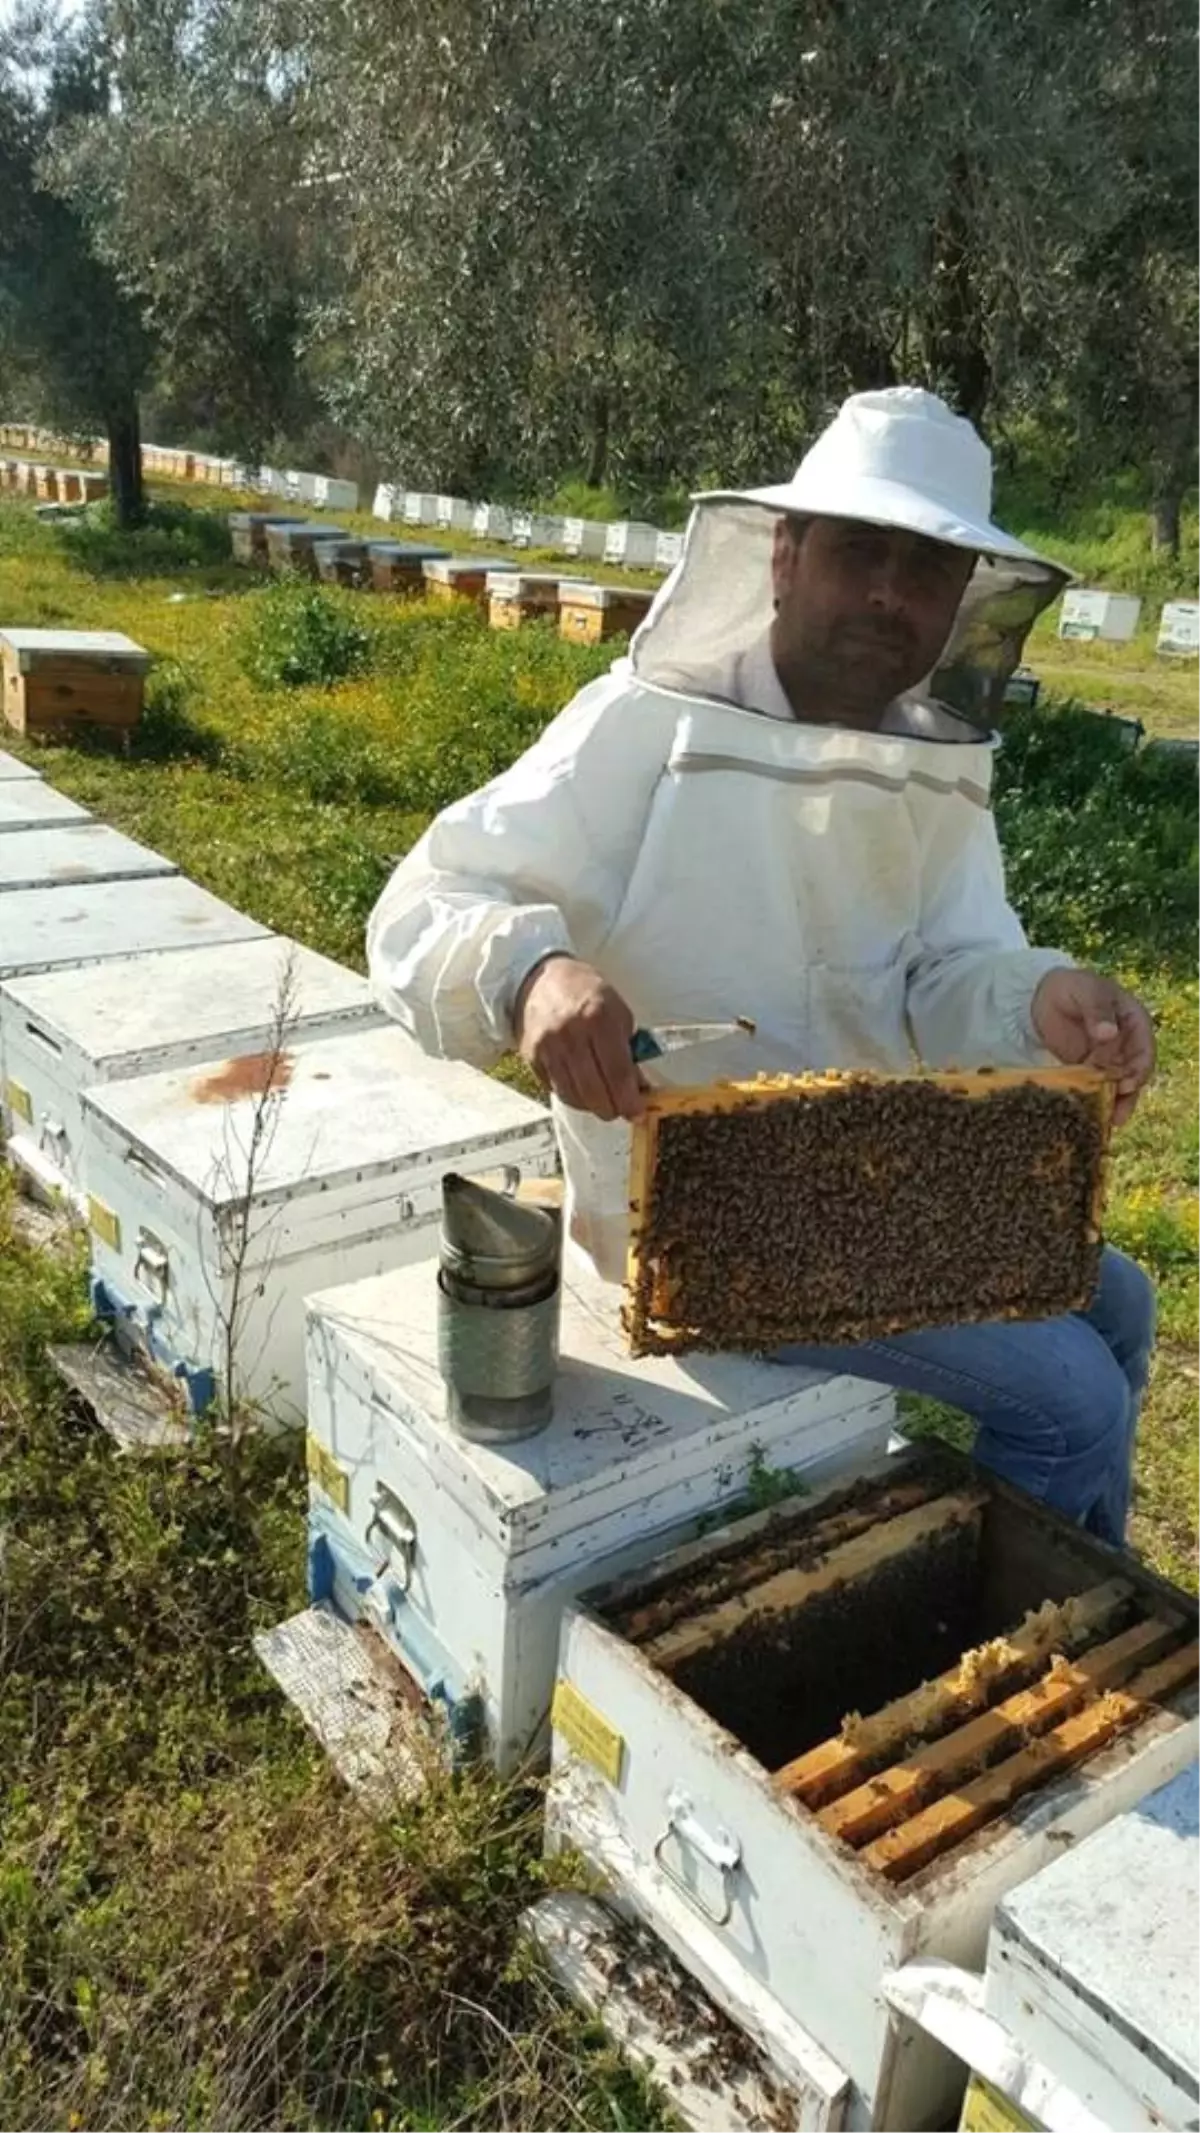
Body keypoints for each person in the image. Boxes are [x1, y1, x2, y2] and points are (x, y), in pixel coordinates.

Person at [367, 387, 1156, 1545]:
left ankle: (1086, 1588)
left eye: (928, 569)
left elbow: (941, 973)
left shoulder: (933, 761)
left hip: (873, 1173)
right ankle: (994, 1644)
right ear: (783, 555)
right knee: (1074, 1400)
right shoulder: (647, 728)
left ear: (964, 603)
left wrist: (1037, 999)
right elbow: (422, 905)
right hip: (692, 1222)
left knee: (1124, 1302)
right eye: (859, 551)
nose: (891, 593)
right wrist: (531, 973)